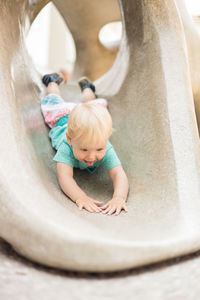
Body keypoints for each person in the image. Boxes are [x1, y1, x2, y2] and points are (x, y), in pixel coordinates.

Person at [41, 72, 129, 216]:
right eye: (84, 149)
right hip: (63, 116)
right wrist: (80, 197)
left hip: (85, 119)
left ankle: (87, 88)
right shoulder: (66, 146)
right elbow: (65, 177)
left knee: (95, 106)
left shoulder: (105, 145)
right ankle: (52, 83)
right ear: (70, 139)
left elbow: (118, 173)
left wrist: (119, 198)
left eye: (99, 149)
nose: (92, 156)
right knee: (52, 101)